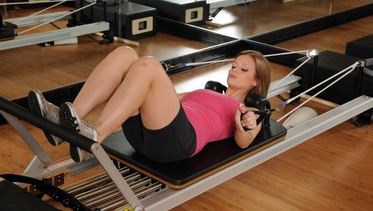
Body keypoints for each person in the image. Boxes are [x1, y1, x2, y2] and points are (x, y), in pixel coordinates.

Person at [28, 46, 271, 163]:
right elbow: (164, 99)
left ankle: (93, 137)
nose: (234, 70)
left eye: (244, 69)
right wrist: (134, 75)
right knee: (126, 54)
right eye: (234, 65)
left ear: (256, 81)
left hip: (178, 142)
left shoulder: (249, 111)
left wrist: (244, 127)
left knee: (148, 64)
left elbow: (244, 142)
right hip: (152, 132)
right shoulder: (204, 92)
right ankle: (63, 123)